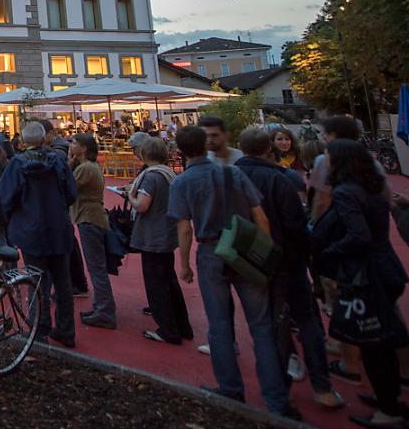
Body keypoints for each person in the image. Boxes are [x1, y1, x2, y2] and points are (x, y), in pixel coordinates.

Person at [169, 124, 299, 419]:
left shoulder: (183, 181)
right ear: (205, 145)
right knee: (262, 326)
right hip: (242, 245)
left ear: (179, 151)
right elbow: (260, 216)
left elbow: (184, 228)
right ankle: (276, 399)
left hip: (210, 249)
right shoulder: (233, 173)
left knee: (219, 325)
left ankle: (230, 388)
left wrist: (184, 264)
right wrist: (263, 251)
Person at [234, 128, 343, 408]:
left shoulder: (232, 177)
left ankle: (279, 385)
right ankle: (321, 386)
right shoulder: (281, 179)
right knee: (306, 320)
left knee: (270, 323)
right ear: (269, 148)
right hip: (288, 259)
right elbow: (296, 225)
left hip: (251, 257)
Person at [313, 139, 408, 427]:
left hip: (367, 274)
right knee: (384, 339)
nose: (325, 161)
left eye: (328, 157)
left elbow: (358, 235)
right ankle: (389, 397)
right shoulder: (371, 186)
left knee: (372, 343)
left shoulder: (345, 192)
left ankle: (388, 411)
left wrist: (329, 251)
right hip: (386, 266)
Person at [0, 121, 78, 347]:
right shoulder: (58, 161)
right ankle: (66, 330)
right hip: (58, 226)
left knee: (36, 281)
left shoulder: (17, 164)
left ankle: (39, 329)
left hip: (31, 228)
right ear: (43, 139)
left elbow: (7, 197)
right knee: (62, 282)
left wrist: (17, 218)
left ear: (24, 142)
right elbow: (71, 192)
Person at [127, 136, 191, 345]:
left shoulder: (151, 176)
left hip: (153, 235)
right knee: (169, 281)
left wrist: (130, 196)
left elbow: (142, 205)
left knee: (156, 285)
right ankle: (182, 325)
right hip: (166, 233)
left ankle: (167, 329)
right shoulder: (169, 174)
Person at [68, 133, 116, 329]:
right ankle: (101, 306)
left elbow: (67, 186)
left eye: (74, 143)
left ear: (84, 148)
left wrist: (69, 164)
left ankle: (105, 311)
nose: (71, 145)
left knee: (96, 267)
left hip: (89, 218)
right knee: (97, 267)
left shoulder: (85, 168)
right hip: (92, 216)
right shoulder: (90, 166)